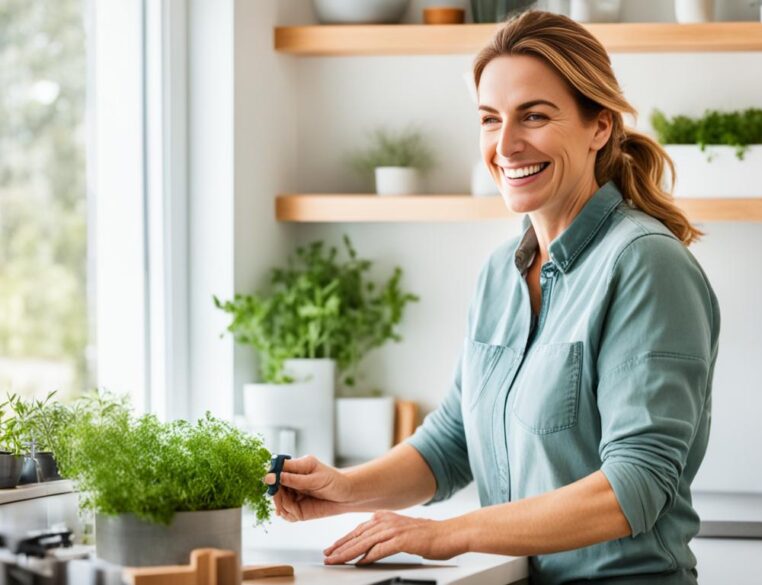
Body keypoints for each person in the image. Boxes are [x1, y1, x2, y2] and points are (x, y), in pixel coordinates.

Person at [265, 10, 720, 584]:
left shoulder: (644, 264)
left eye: (534, 116)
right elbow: (455, 440)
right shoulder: (500, 275)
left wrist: (449, 532)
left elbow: (636, 485)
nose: (505, 144)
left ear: (599, 126)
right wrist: (345, 489)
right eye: (489, 120)